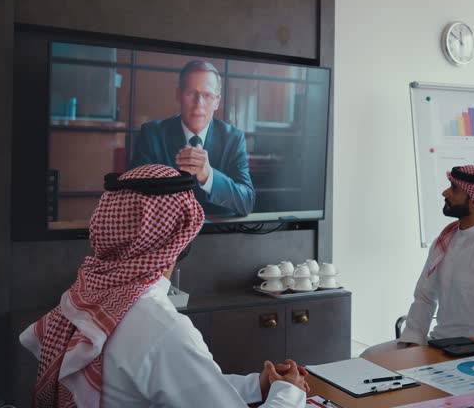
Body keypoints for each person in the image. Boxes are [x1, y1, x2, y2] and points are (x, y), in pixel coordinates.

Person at [19, 165, 307, 407]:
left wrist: (256, 386)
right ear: (180, 240)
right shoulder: (160, 329)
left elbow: (180, 385)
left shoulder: (86, 296)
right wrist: (290, 392)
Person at [371, 165, 474, 353]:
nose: (445, 193)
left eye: (454, 188)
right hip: (439, 344)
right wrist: (414, 343)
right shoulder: (445, 240)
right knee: (369, 356)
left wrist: (462, 351)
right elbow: (424, 297)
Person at [130, 60, 255, 217]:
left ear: (217, 101)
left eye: (208, 95)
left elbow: (247, 201)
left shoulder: (233, 138)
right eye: (191, 93)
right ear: (178, 95)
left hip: (218, 237)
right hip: (166, 235)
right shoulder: (152, 134)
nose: (199, 104)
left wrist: (208, 176)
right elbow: (134, 195)